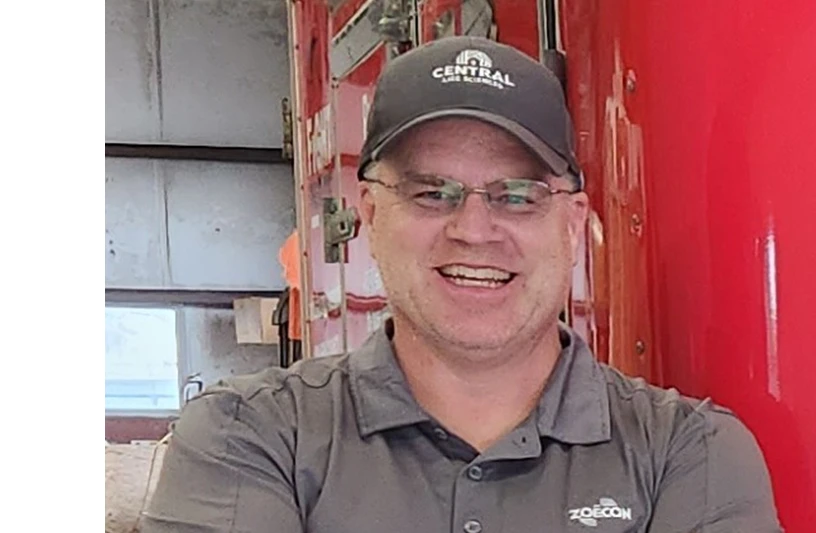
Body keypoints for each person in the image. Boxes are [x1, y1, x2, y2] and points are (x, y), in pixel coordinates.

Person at [142, 36, 783, 533]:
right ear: (371, 215)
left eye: (517, 195)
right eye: (431, 192)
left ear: (572, 225)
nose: (474, 230)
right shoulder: (248, 436)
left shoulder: (688, 453)